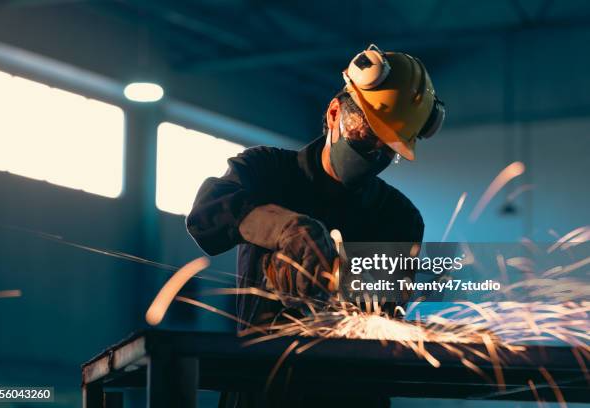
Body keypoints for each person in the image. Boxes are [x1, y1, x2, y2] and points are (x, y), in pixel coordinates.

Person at [186, 45, 445, 407]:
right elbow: (207, 212)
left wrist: (336, 287)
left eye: (388, 149)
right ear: (335, 111)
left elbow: (382, 315)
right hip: (262, 390)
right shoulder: (268, 171)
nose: (374, 154)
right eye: (366, 136)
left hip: (351, 397)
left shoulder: (399, 217)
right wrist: (283, 229)